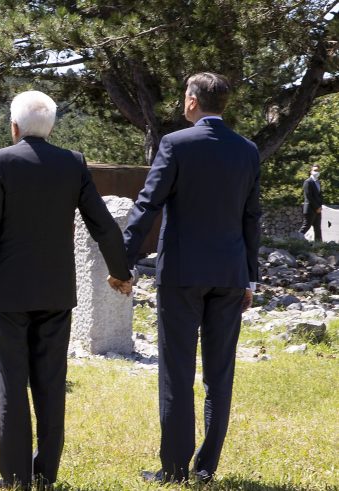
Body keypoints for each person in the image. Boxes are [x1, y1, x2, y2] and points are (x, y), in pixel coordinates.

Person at [0, 90, 132, 489]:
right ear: (52, 126)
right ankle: (46, 472)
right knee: (50, 383)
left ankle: (14, 477)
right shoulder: (72, 163)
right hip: (57, 292)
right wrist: (120, 271)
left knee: (13, 383)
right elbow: (103, 223)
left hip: (9, 292)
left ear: (14, 127)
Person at [119, 72, 261, 484]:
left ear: (193, 101)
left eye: (185, 96)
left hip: (182, 273)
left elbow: (148, 204)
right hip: (231, 274)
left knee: (177, 370)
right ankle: (207, 467)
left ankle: (176, 468)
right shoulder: (247, 151)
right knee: (220, 373)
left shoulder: (175, 144)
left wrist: (122, 260)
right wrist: (250, 278)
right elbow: (252, 217)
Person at [299, 164, 323, 242]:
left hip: (318, 209)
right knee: (306, 226)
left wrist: (320, 207)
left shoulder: (318, 182)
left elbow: (319, 196)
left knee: (317, 228)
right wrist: (317, 207)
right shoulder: (308, 182)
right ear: (311, 171)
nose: (317, 172)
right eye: (315, 170)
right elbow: (309, 197)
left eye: (318, 170)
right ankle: (295, 240)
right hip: (310, 209)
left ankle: (319, 246)